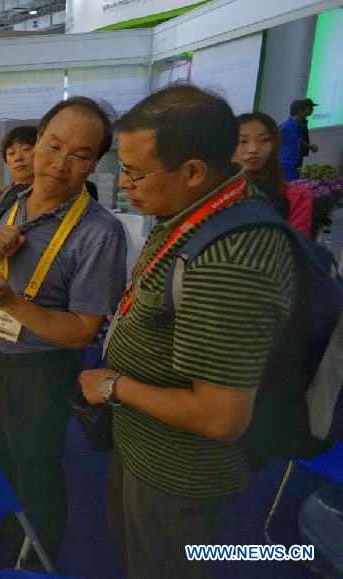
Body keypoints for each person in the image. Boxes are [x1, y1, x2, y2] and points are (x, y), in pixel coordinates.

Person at [79, 85, 297, 578]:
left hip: (177, 470)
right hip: (143, 442)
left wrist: (114, 385)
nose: (125, 185)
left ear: (194, 171)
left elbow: (220, 418)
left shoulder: (231, 261)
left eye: (135, 173)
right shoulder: (194, 208)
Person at [0, 97, 127, 565]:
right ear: (36, 143)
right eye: (52, 146)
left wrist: (12, 302)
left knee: (37, 473)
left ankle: (38, 561)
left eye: (80, 155)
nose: (60, 164)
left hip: (38, 373)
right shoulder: (10, 200)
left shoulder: (100, 233)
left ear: (95, 162)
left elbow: (81, 331)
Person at [235, 112, 313, 236]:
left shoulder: (296, 197)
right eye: (242, 141)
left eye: (264, 140)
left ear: (275, 144)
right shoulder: (214, 194)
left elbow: (295, 249)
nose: (253, 149)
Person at [279, 98, 320, 181]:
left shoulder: (299, 126)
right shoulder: (285, 127)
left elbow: (298, 140)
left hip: (296, 162)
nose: (312, 110)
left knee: (294, 187)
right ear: (300, 111)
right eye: (309, 108)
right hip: (286, 163)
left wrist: (310, 147)